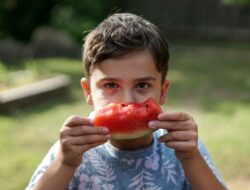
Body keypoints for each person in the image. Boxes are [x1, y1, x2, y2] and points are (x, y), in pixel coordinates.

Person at [26, 13, 227, 190]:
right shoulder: (71, 150)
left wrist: (191, 158)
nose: (127, 100)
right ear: (88, 92)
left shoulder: (183, 147)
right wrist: (65, 163)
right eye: (111, 85)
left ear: (162, 91)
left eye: (142, 85)